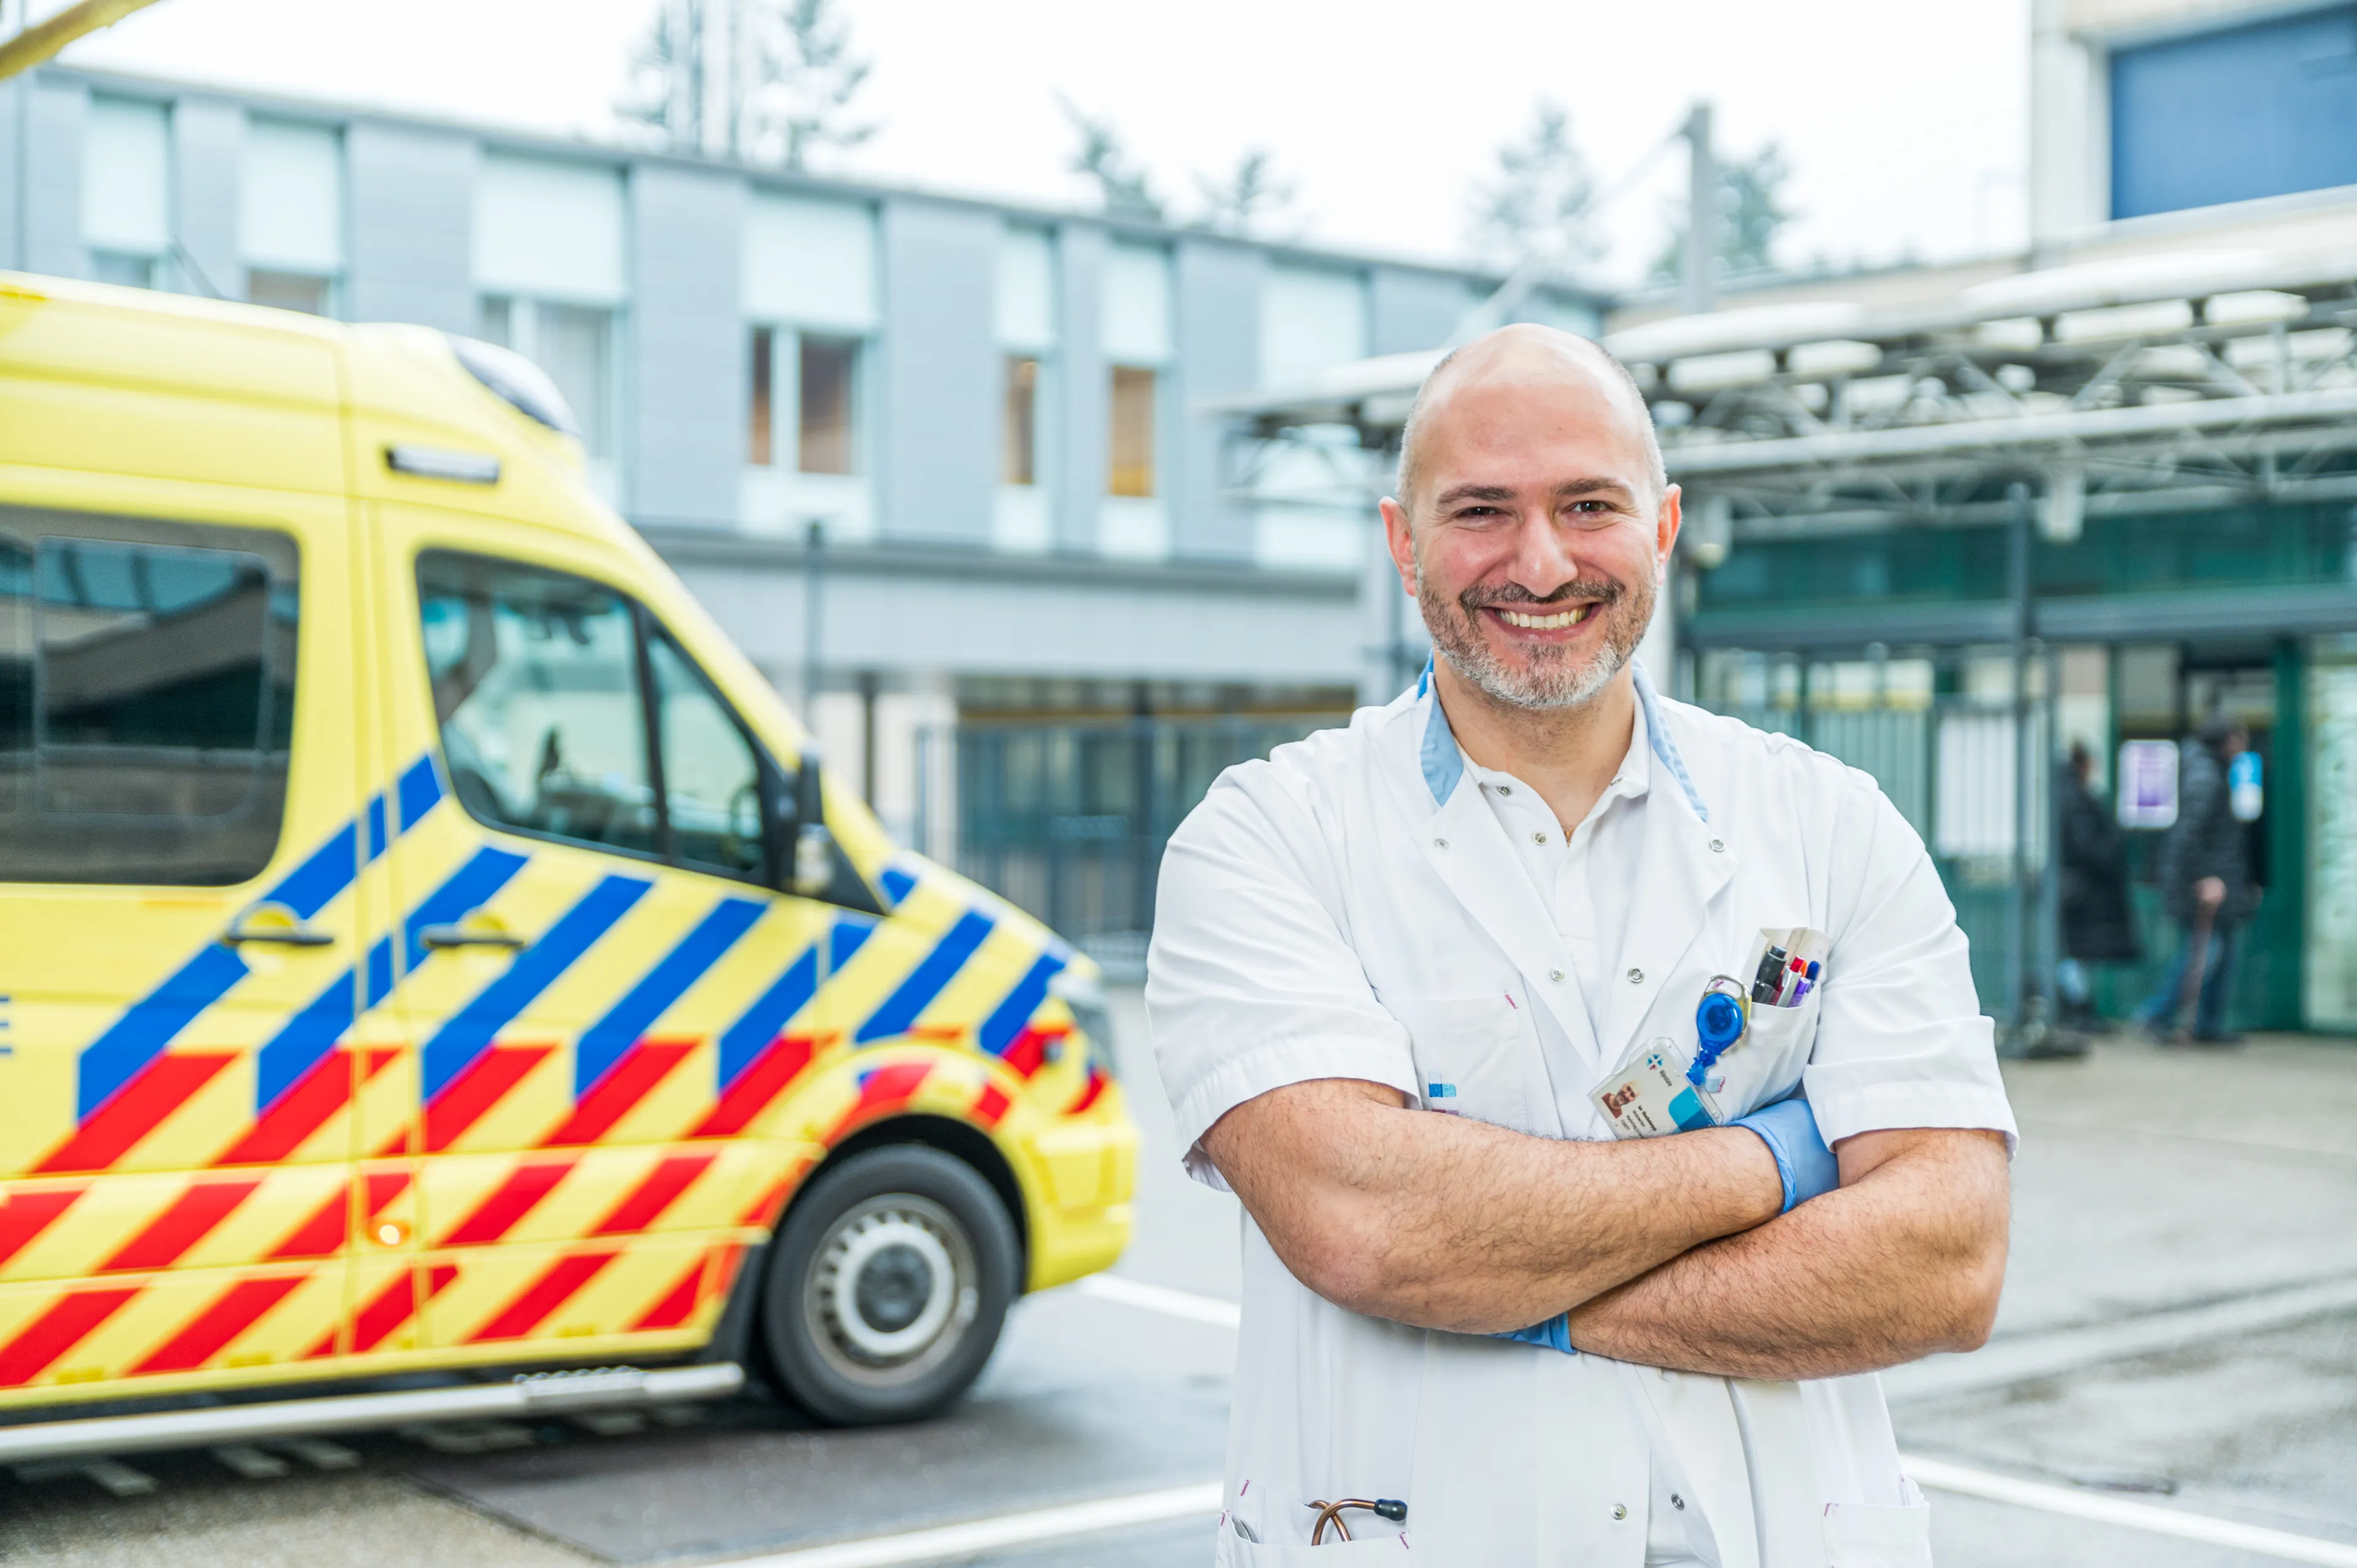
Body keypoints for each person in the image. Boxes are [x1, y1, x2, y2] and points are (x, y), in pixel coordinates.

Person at [1148, 325, 2015, 1567]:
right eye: (1481, 511)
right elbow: (1362, 1224)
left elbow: (1946, 1262)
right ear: (1403, 542)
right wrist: (1781, 1157)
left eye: (1588, 505)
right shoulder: (1268, 837)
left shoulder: (1831, 824)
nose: (1541, 561)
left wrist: (1502, 1281)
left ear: (1664, 525)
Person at [2137, 717, 2256, 1045]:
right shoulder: (2204, 777)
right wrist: (2203, 878)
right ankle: (2157, 1015)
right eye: (2240, 738)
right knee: (2205, 953)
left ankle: (2208, 1025)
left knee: (2221, 954)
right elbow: (2189, 835)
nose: (2244, 746)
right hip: (2202, 886)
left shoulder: (2213, 772)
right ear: (2226, 740)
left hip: (2220, 881)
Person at [2056, 741, 2139, 1030]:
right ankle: (2077, 1009)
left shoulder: (2067, 794)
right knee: (2075, 953)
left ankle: (2079, 1008)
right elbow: (2087, 845)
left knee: (2074, 953)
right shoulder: (2076, 798)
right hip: (2083, 890)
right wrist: (2115, 844)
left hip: (2077, 888)